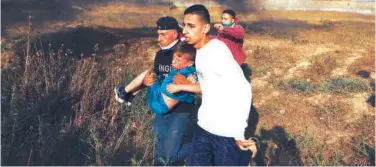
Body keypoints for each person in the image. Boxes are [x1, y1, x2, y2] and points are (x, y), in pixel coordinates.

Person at [169, 4, 257, 166]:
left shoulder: (217, 51)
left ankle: (248, 153)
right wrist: (187, 85)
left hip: (225, 133)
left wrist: (238, 133)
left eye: (191, 26)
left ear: (205, 28)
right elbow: (210, 87)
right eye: (185, 25)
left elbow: (243, 89)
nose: (185, 31)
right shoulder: (200, 51)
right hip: (204, 127)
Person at [114, 16, 197, 166]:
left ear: (175, 34)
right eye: (158, 34)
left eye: (163, 34)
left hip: (181, 112)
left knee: (171, 155)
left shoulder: (189, 51)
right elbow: (155, 77)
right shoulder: (160, 55)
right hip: (161, 110)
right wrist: (145, 84)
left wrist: (190, 81)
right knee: (159, 154)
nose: (159, 39)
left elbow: (200, 79)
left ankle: (205, 146)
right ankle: (126, 94)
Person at [147, 41, 197, 115]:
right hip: (158, 99)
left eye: (178, 60)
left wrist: (192, 80)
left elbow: (199, 85)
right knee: (149, 75)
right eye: (173, 57)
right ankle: (127, 92)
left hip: (160, 105)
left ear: (190, 63)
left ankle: (127, 92)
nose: (173, 61)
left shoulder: (189, 72)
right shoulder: (177, 68)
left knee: (148, 75)